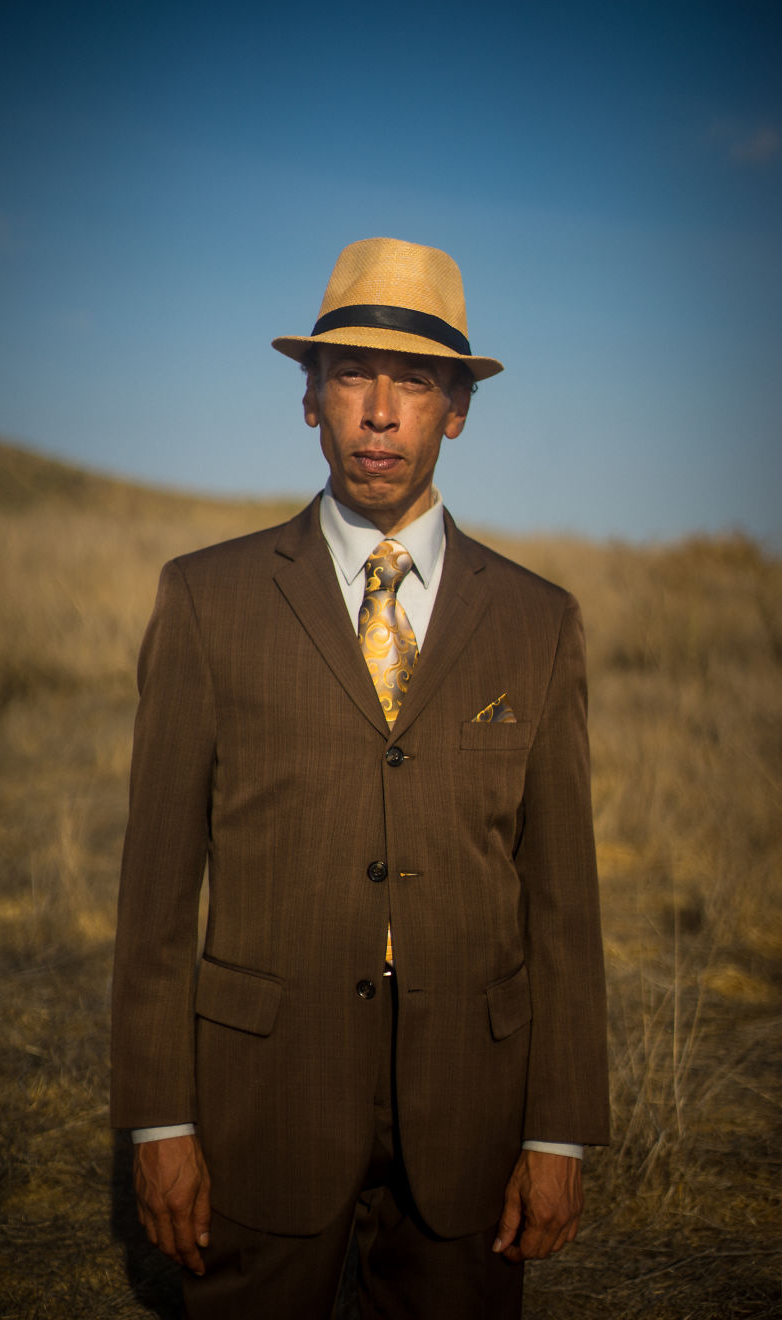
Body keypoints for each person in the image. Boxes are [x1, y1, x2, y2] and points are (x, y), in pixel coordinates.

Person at [111, 237, 609, 1319]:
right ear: (309, 400)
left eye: (416, 382)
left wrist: (557, 1129)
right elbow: (153, 898)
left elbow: (564, 904)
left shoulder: (537, 623)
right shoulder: (207, 601)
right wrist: (159, 1125)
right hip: (264, 1102)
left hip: (471, 1119)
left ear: (457, 411)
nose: (380, 411)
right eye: (351, 376)